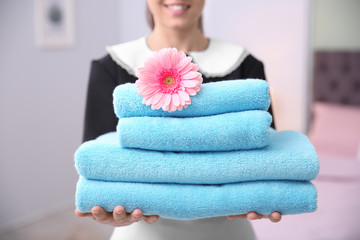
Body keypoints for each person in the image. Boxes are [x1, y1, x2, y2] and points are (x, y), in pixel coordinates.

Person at [75, 0, 281, 239]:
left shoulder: (245, 65)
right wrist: (107, 203)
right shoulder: (112, 65)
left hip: (228, 230)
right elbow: (101, 165)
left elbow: (265, 156)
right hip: (142, 230)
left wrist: (267, 191)